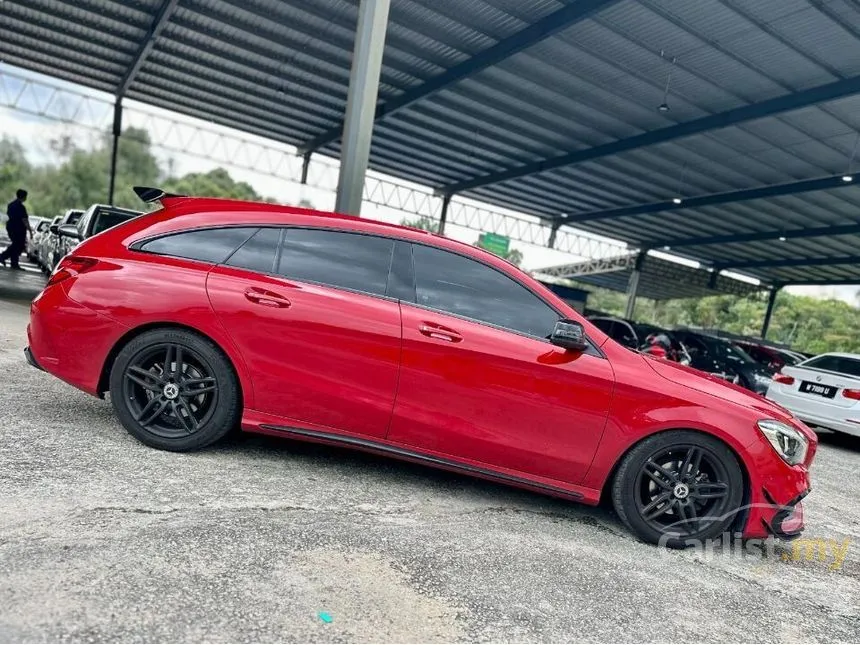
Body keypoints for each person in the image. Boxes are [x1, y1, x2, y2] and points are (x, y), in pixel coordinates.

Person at [0, 189, 32, 270]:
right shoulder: (21, 207)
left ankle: (13, 262)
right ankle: (3, 257)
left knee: (16, 245)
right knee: (18, 245)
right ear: (24, 197)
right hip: (19, 229)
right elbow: (24, 219)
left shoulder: (10, 205)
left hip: (11, 227)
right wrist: (30, 230)